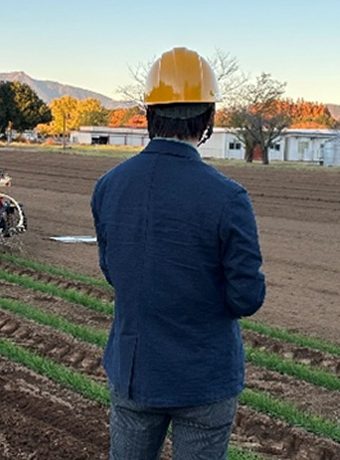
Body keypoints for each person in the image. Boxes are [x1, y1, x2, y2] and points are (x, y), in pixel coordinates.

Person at [90, 47, 266, 460]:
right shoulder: (228, 197)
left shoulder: (109, 186)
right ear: (209, 117)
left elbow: (114, 271)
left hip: (134, 371)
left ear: (150, 113)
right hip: (205, 378)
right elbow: (246, 298)